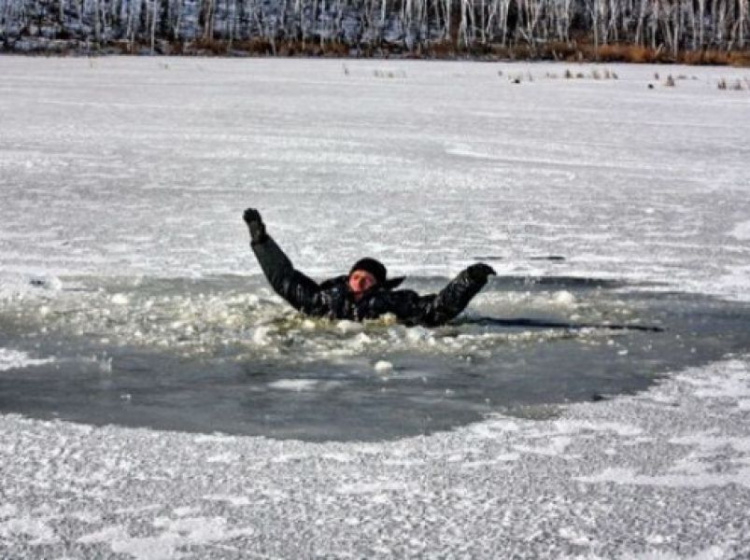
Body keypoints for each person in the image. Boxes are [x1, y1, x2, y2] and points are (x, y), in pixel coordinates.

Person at [243, 208, 496, 327]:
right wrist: (261, 241)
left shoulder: (393, 302)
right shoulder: (324, 300)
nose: (360, 282)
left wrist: (469, 279)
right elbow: (284, 279)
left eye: (367, 279)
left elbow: (436, 310)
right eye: (356, 277)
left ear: (378, 285)